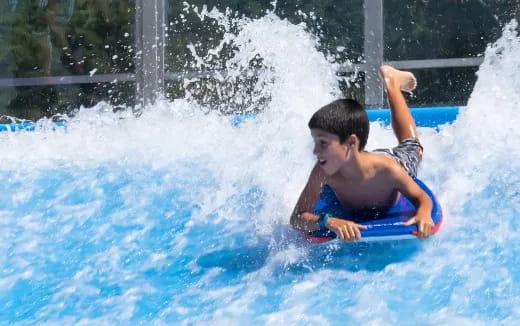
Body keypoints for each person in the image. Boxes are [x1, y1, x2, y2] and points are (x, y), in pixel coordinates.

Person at [290, 65, 435, 241]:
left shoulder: (389, 170)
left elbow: (422, 198)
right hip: (355, 160)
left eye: (323, 143)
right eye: (315, 142)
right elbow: (297, 218)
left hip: (392, 161)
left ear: (351, 142)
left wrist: (424, 214)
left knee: (412, 145)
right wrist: (327, 221)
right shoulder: (323, 170)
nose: (315, 151)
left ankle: (392, 82)